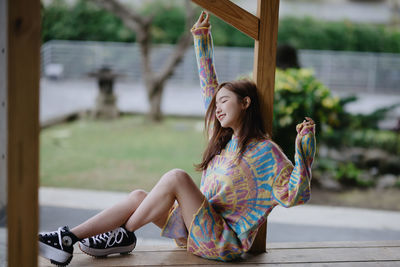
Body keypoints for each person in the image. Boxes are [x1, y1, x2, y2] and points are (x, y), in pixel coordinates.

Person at [38, 11, 316, 266]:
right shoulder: (223, 142)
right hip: (194, 229)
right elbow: (209, 88)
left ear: (245, 103)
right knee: (138, 196)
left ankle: (123, 234)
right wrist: (201, 38)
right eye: (216, 104)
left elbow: (297, 195)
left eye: (225, 101)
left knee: (176, 177)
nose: (217, 108)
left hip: (223, 242)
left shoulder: (266, 152)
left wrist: (303, 150)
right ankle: (68, 239)